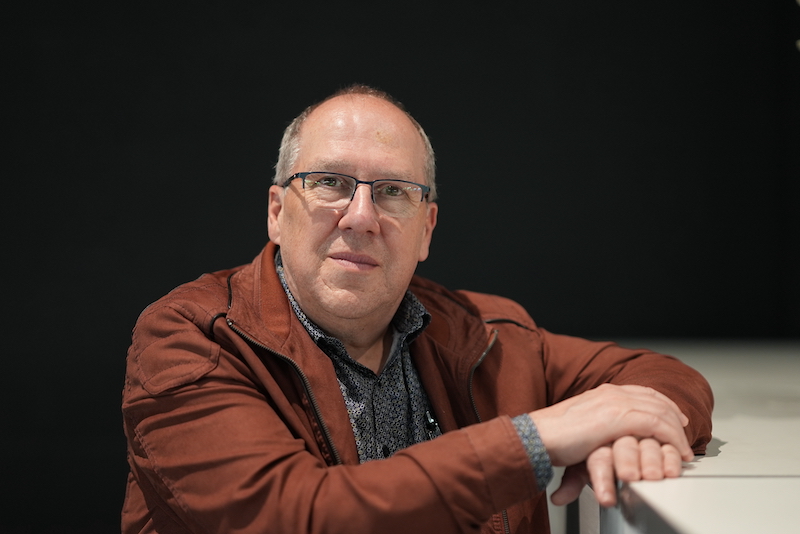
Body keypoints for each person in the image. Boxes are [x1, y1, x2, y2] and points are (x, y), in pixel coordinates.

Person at [121, 84, 713, 534]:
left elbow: (662, 377)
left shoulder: (483, 333)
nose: (360, 217)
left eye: (392, 192)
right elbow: (292, 516)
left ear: (426, 229)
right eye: (329, 183)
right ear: (277, 212)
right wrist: (535, 440)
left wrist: (634, 435)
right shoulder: (192, 339)